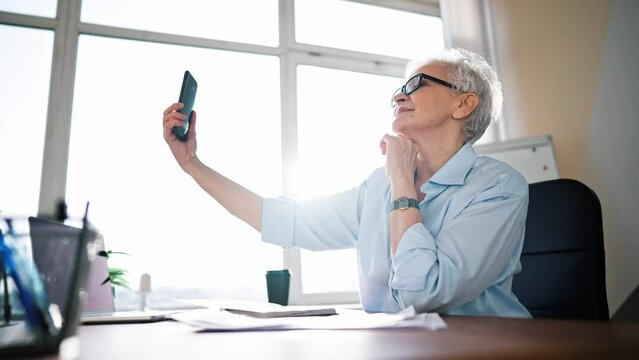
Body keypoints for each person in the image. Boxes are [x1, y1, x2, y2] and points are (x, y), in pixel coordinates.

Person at [162, 48, 531, 318]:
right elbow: (281, 220)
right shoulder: (377, 188)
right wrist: (192, 165)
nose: (400, 95)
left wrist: (401, 180)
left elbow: (423, 294)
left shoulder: (498, 187)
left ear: (464, 104)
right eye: (398, 89)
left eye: (417, 84)